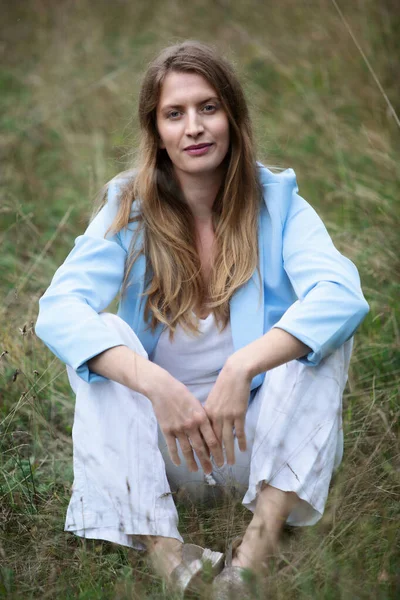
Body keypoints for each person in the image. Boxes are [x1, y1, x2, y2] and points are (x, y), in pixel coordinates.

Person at [35, 40, 369, 597]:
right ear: (157, 131)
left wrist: (243, 366)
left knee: (323, 337)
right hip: (163, 450)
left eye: (208, 107)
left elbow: (342, 294)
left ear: (232, 117)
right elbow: (59, 308)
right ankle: (171, 558)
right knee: (107, 339)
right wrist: (155, 383)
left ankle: (250, 562)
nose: (194, 127)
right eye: (175, 113)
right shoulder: (129, 206)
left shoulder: (276, 201)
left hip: (256, 442)